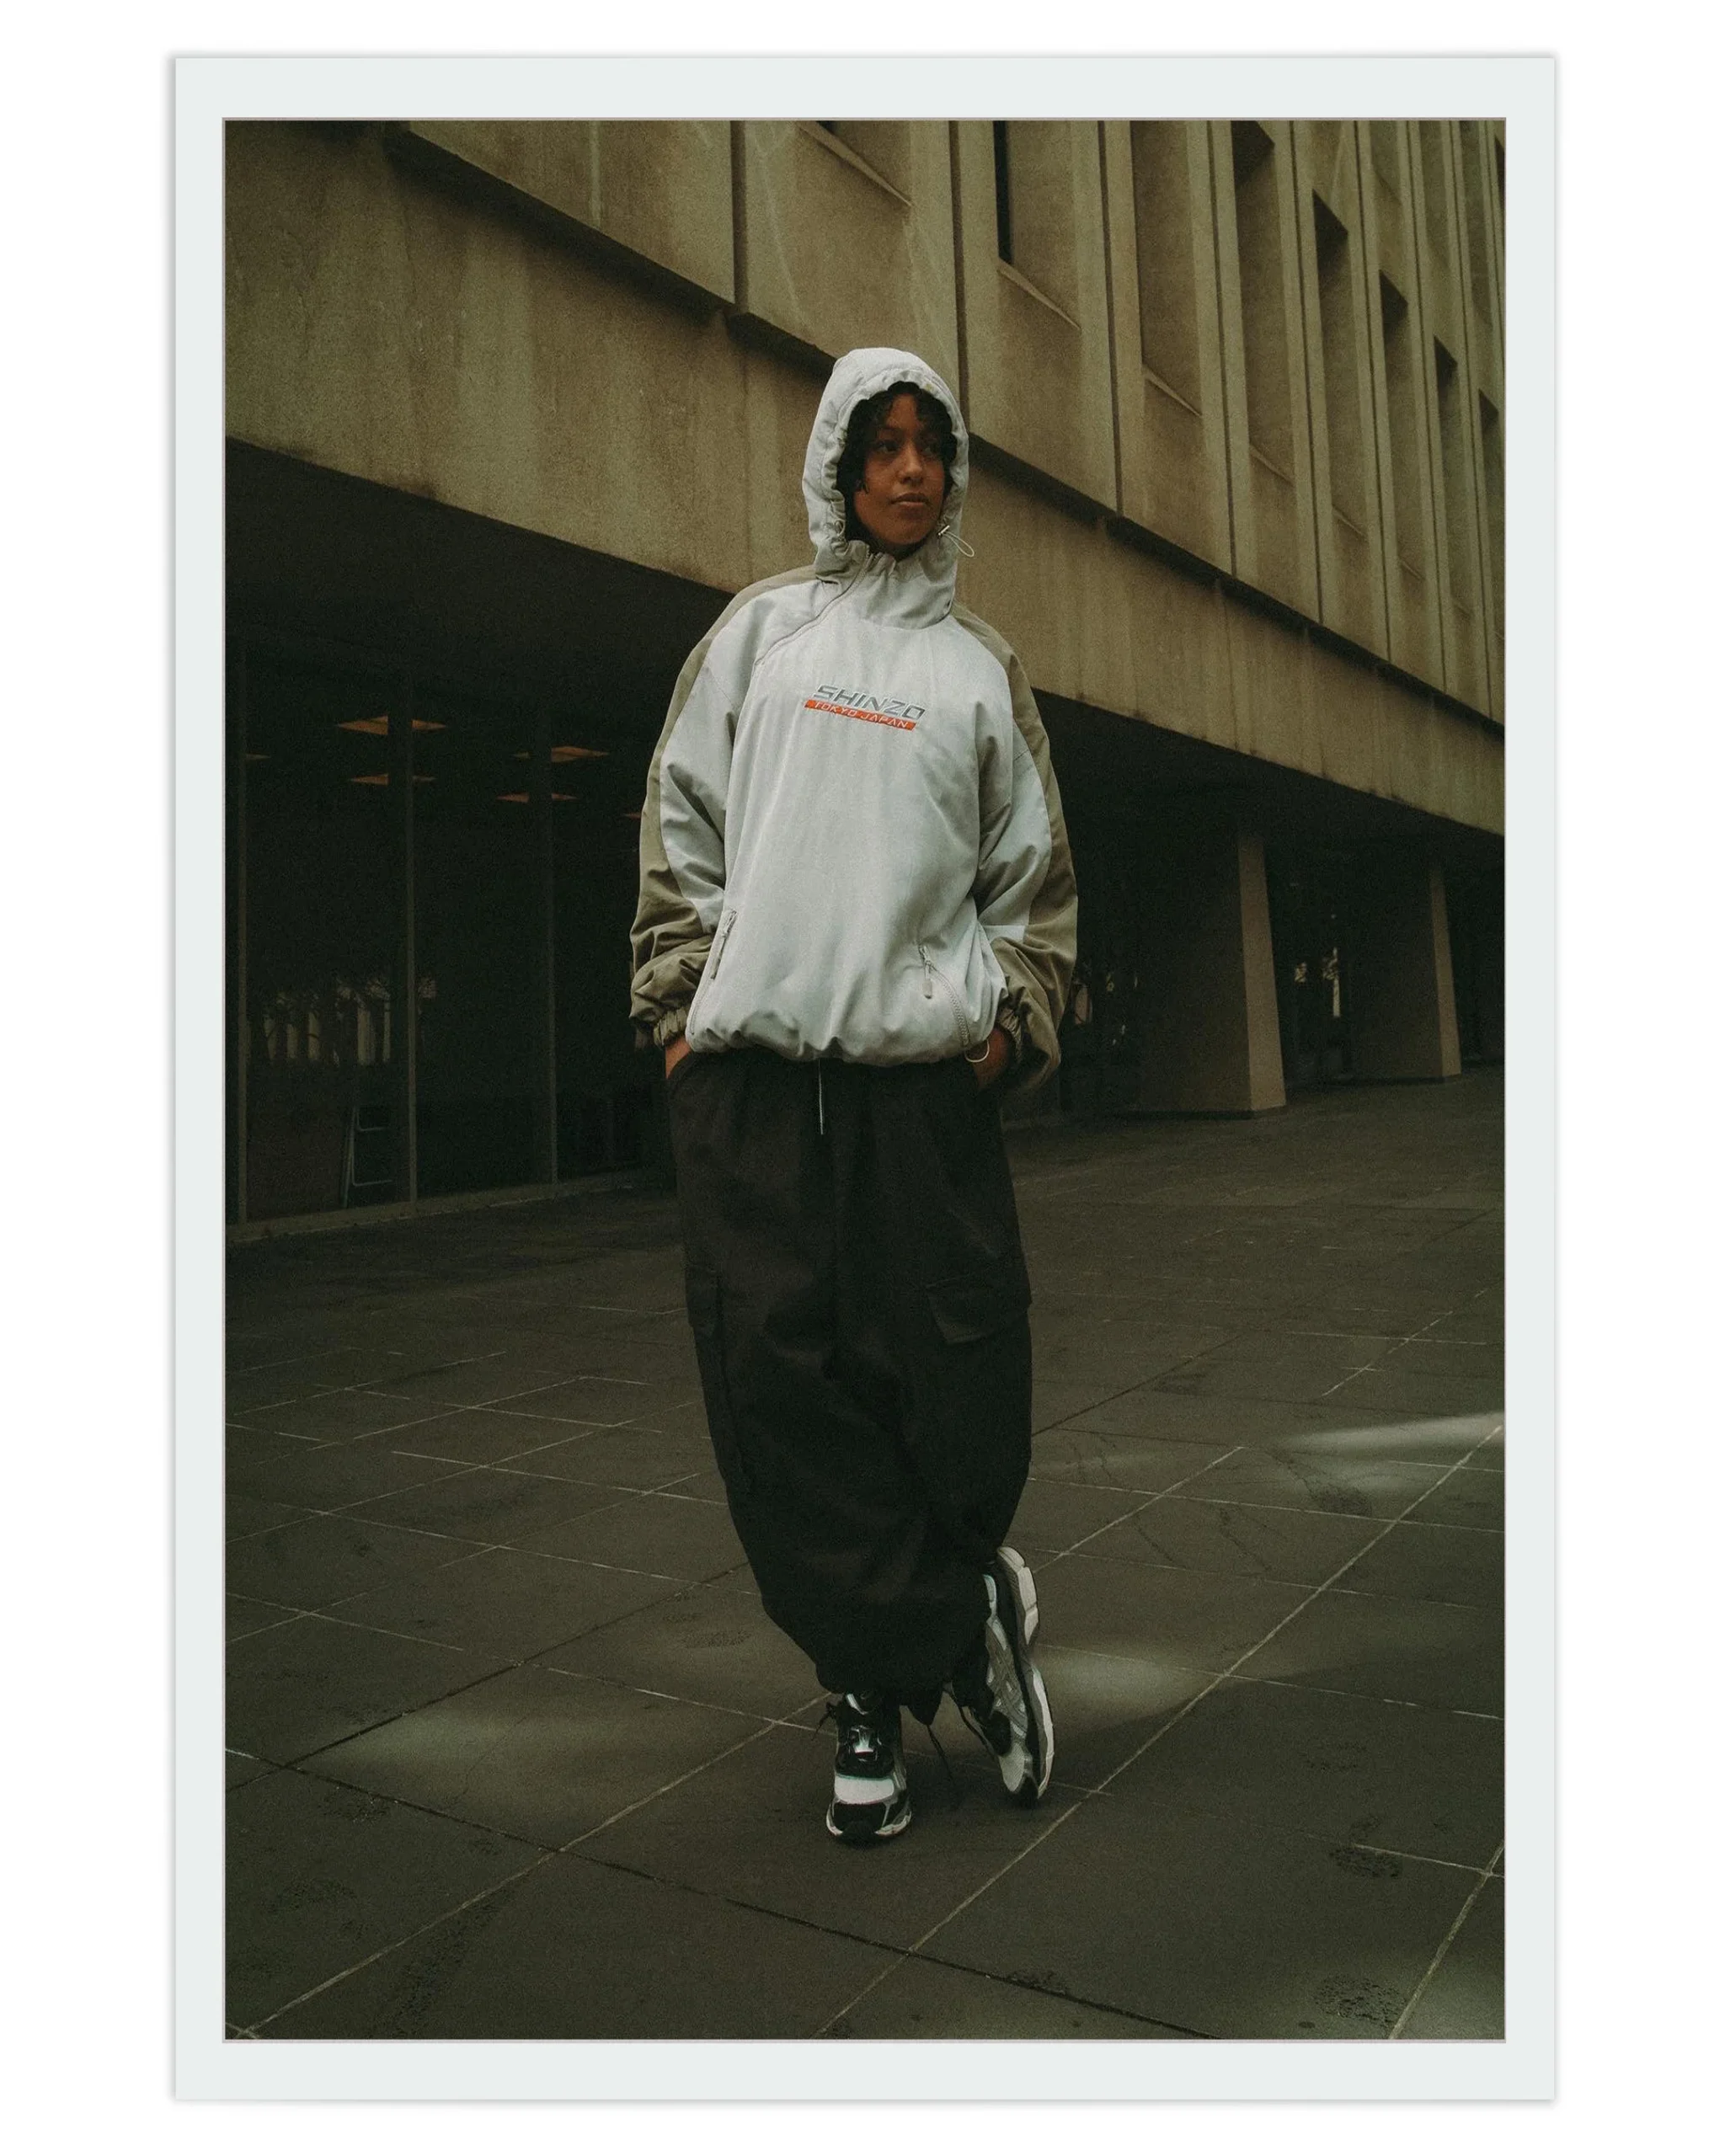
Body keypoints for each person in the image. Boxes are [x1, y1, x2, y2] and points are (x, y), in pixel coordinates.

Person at [629, 345, 1077, 1845]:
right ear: (836, 465)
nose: (908, 470)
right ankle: (893, 1677)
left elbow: (1033, 886)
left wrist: (1003, 1032)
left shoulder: (979, 671)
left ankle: (924, 1631)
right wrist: (682, 1023)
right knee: (778, 1396)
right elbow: (680, 824)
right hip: (754, 1091)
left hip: (918, 1098)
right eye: (879, 445)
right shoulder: (759, 636)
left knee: (948, 1389)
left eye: (928, 446)